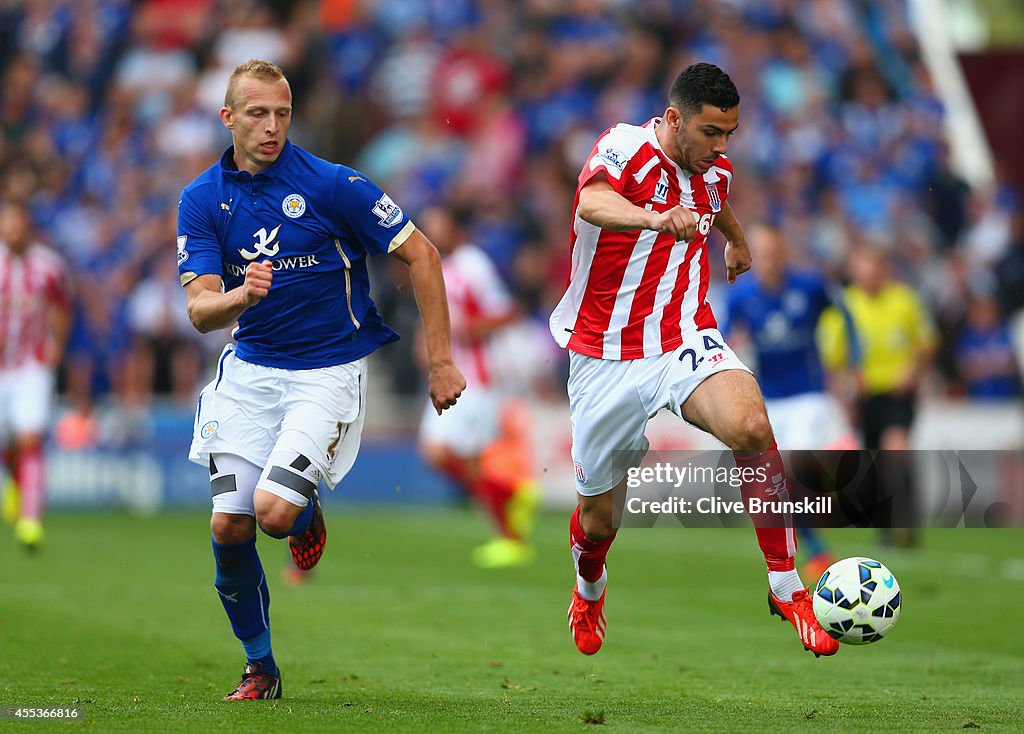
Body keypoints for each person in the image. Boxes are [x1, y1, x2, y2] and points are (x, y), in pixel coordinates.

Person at [177, 59, 465, 701]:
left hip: (325, 373)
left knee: (273, 515)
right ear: (228, 118)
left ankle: (305, 514)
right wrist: (239, 298)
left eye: (281, 112)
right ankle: (260, 667)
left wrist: (440, 359)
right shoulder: (200, 199)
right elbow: (199, 311)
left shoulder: (336, 185)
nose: (272, 125)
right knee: (229, 527)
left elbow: (422, 252)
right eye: (256, 113)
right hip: (248, 373)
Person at [549, 63, 839, 658]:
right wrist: (655, 218)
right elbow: (592, 202)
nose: (722, 146)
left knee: (752, 426)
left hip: (684, 332)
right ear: (675, 119)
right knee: (599, 521)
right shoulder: (621, 146)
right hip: (604, 351)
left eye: (730, 133)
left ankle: (785, 585)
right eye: (711, 132)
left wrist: (736, 238)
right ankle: (589, 586)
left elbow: (716, 200)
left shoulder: (714, 168)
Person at [725, 223, 860, 582]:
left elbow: (845, 315)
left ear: (783, 253)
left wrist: (852, 365)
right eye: (761, 254)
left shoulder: (810, 286)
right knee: (774, 487)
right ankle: (811, 546)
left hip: (808, 396)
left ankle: (818, 548)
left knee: (792, 477)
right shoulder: (741, 296)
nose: (767, 260)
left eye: (773, 253)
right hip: (767, 402)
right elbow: (721, 335)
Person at [416, 206, 539, 568]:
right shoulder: (444, 266)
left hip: (475, 379)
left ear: (455, 227)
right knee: (467, 461)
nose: (431, 231)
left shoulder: (472, 265)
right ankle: (510, 535)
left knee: (438, 452)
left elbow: (506, 312)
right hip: (452, 375)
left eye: (437, 223)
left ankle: (512, 495)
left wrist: (462, 331)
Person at [819, 245, 937, 543]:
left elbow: (926, 344)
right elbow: (832, 359)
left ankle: (908, 520)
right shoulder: (844, 305)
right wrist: (844, 394)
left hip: (897, 394)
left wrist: (911, 373)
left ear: (883, 270)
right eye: (862, 273)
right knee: (874, 462)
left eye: (873, 271)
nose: (868, 278)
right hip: (865, 396)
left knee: (896, 450)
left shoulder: (903, 300)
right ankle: (887, 526)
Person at [0, 201, 72, 550]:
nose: (13, 231)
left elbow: (62, 307)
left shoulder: (49, 266)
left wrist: (56, 346)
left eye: (18, 224)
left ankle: (30, 520)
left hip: (32, 364)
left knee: (30, 438)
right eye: (7, 224)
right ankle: (14, 483)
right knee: (8, 444)